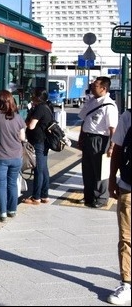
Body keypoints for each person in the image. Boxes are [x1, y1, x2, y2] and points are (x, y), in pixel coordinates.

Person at [78, 76, 118, 208]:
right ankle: (88, 196)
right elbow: (85, 120)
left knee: (100, 170)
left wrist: (112, 146)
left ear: (103, 88)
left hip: (100, 140)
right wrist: (80, 137)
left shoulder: (109, 105)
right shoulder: (91, 101)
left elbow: (113, 128)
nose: (91, 88)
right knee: (87, 169)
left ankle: (101, 198)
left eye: (95, 86)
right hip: (88, 138)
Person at [0, 89, 26, 222]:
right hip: (16, 157)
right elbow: (22, 137)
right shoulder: (18, 117)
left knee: (0, 184)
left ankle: (2, 212)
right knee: (12, 183)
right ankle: (12, 210)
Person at [106, 108, 131, 305]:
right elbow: (118, 148)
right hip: (129, 186)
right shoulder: (129, 116)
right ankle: (127, 283)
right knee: (127, 237)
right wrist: (113, 179)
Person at [23, 88, 54, 205]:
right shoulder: (47, 106)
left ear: (37, 97)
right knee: (44, 169)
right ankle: (45, 195)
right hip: (44, 141)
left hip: (39, 142)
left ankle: (36, 197)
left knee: (38, 170)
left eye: (33, 95)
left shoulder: (40, 108)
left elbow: (31, 126)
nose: (31, 96)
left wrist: (26, 121)